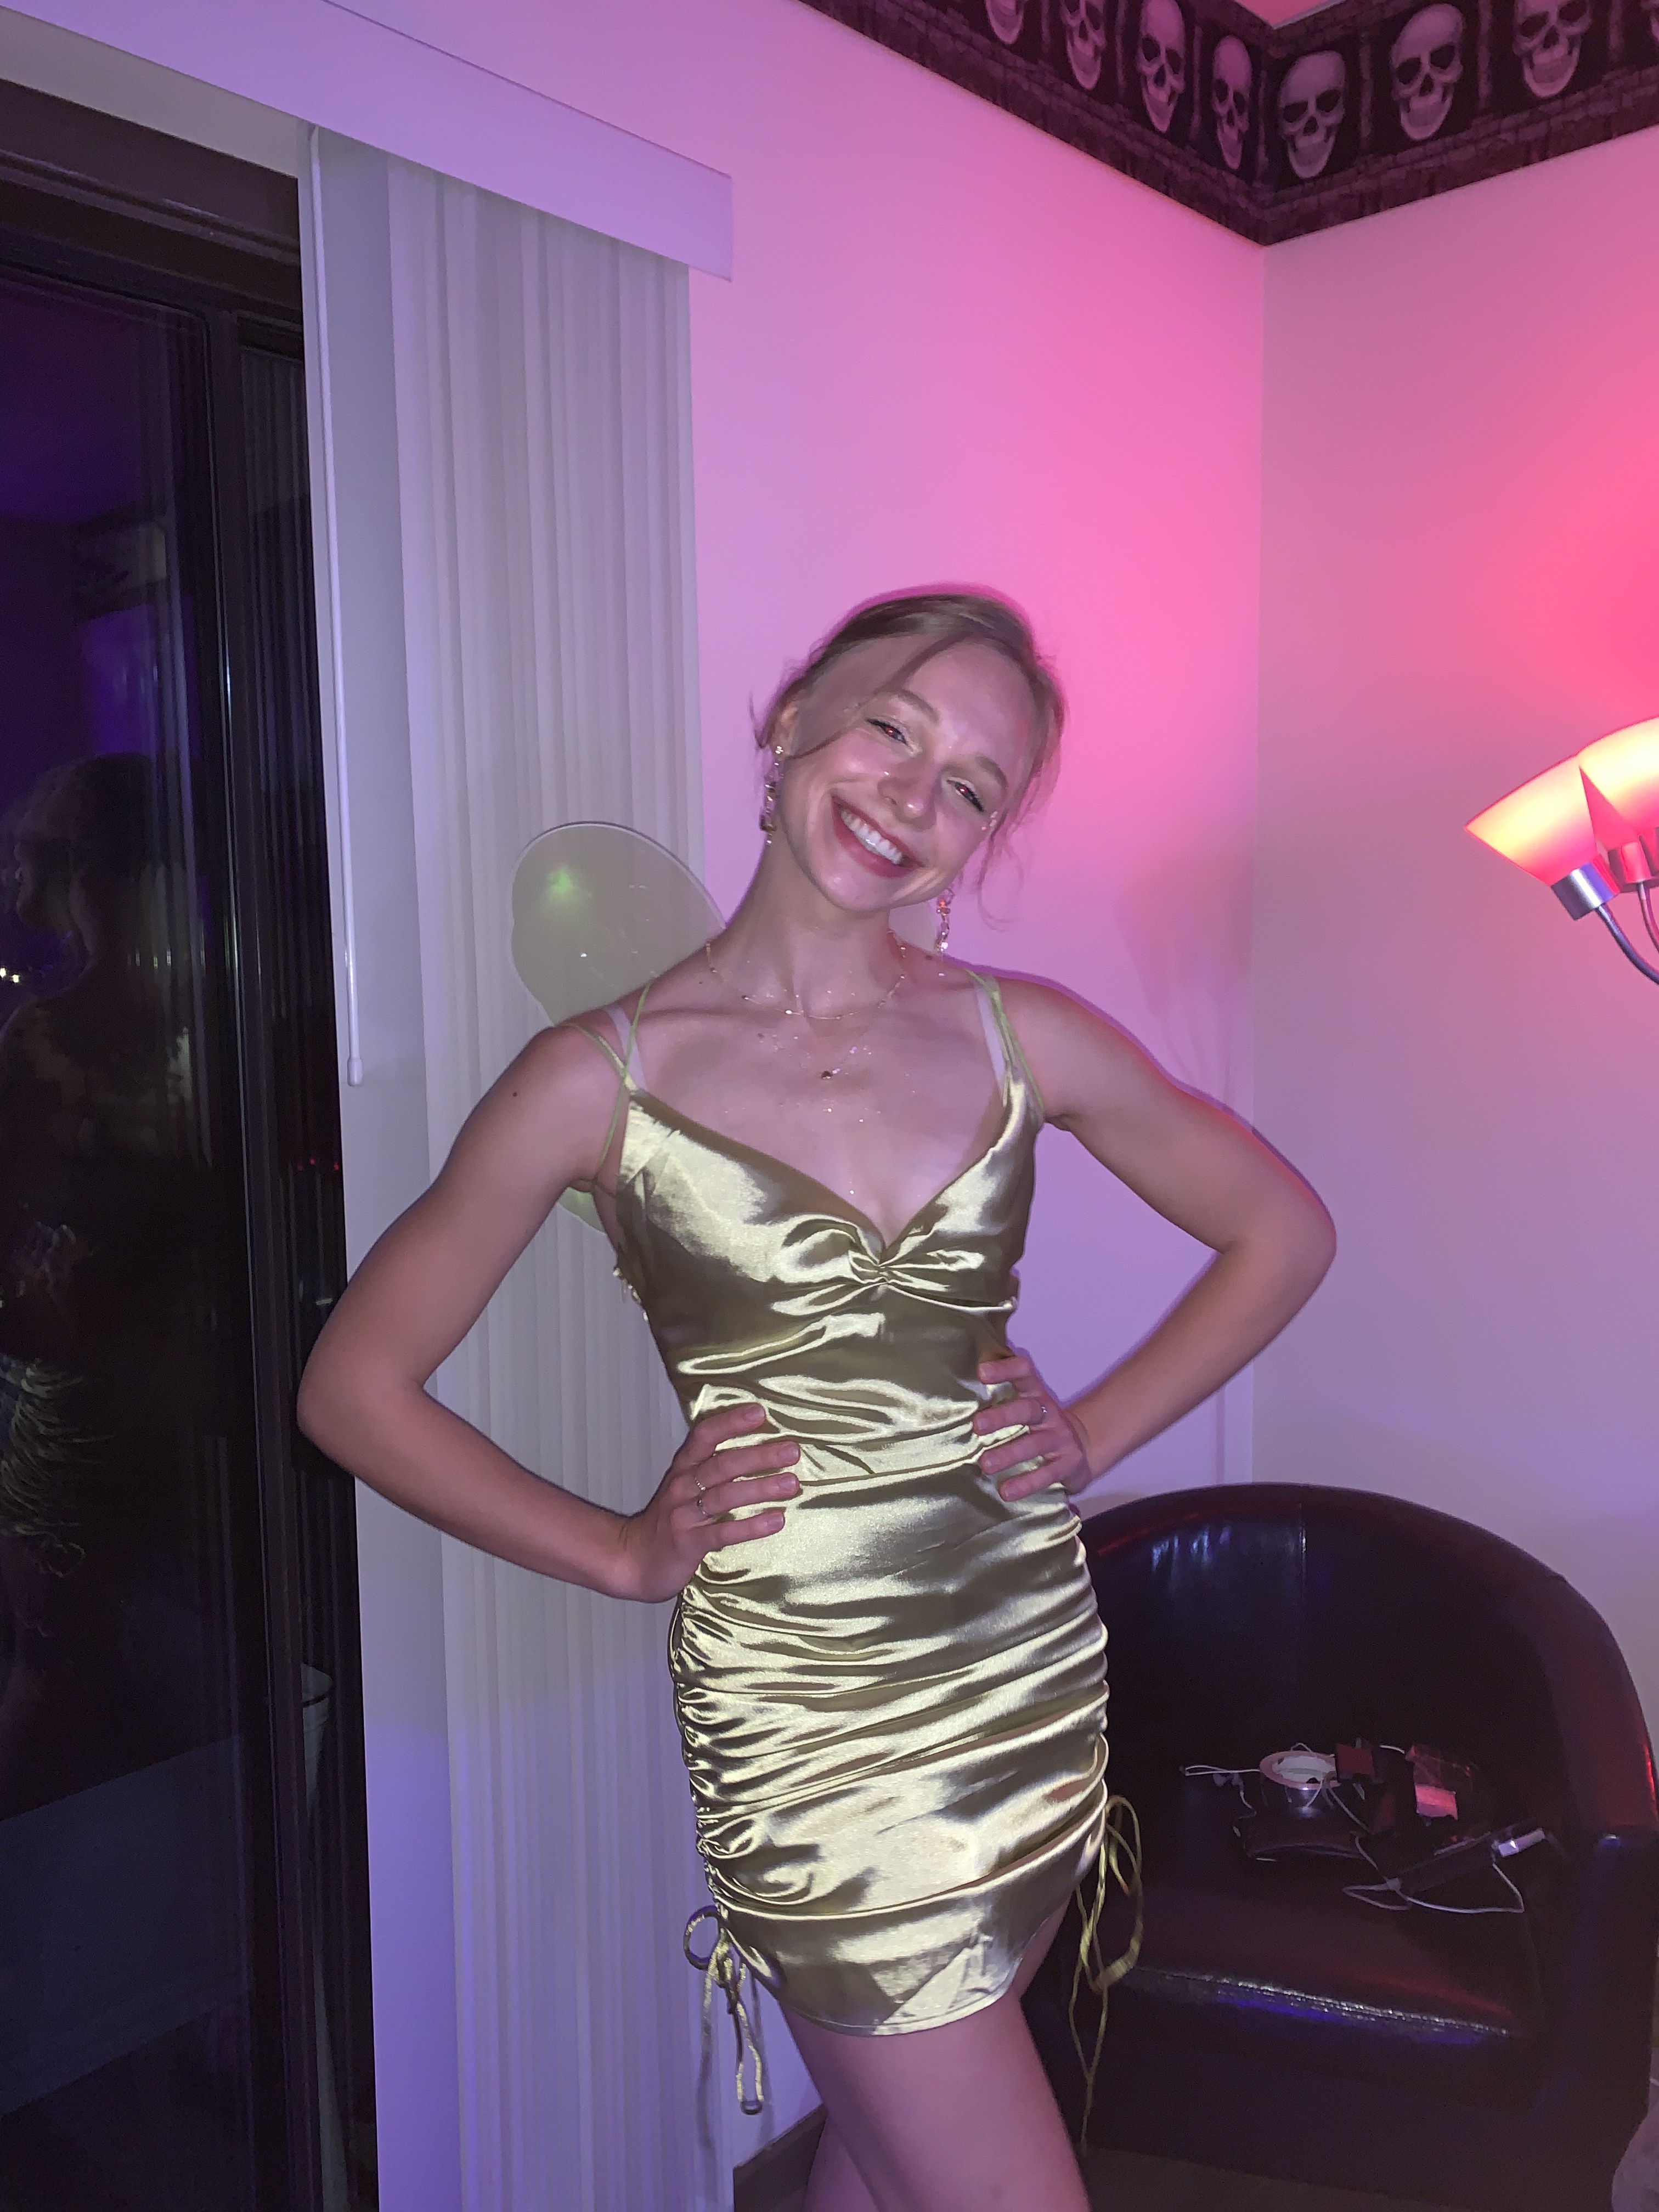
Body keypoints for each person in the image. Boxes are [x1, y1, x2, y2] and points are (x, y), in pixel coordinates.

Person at [298, 590, 1335, 2212]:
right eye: (891, 727)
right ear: (791, 720)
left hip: (1026, 1666)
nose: (916, 796)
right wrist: (623, 1551)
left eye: (973, 786)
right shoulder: (598, 1078)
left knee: (885, 2145)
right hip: (809, 1709)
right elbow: (354, 1388)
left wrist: (1097, 1432)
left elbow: (1282, 1231)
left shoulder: (1020, 1035)